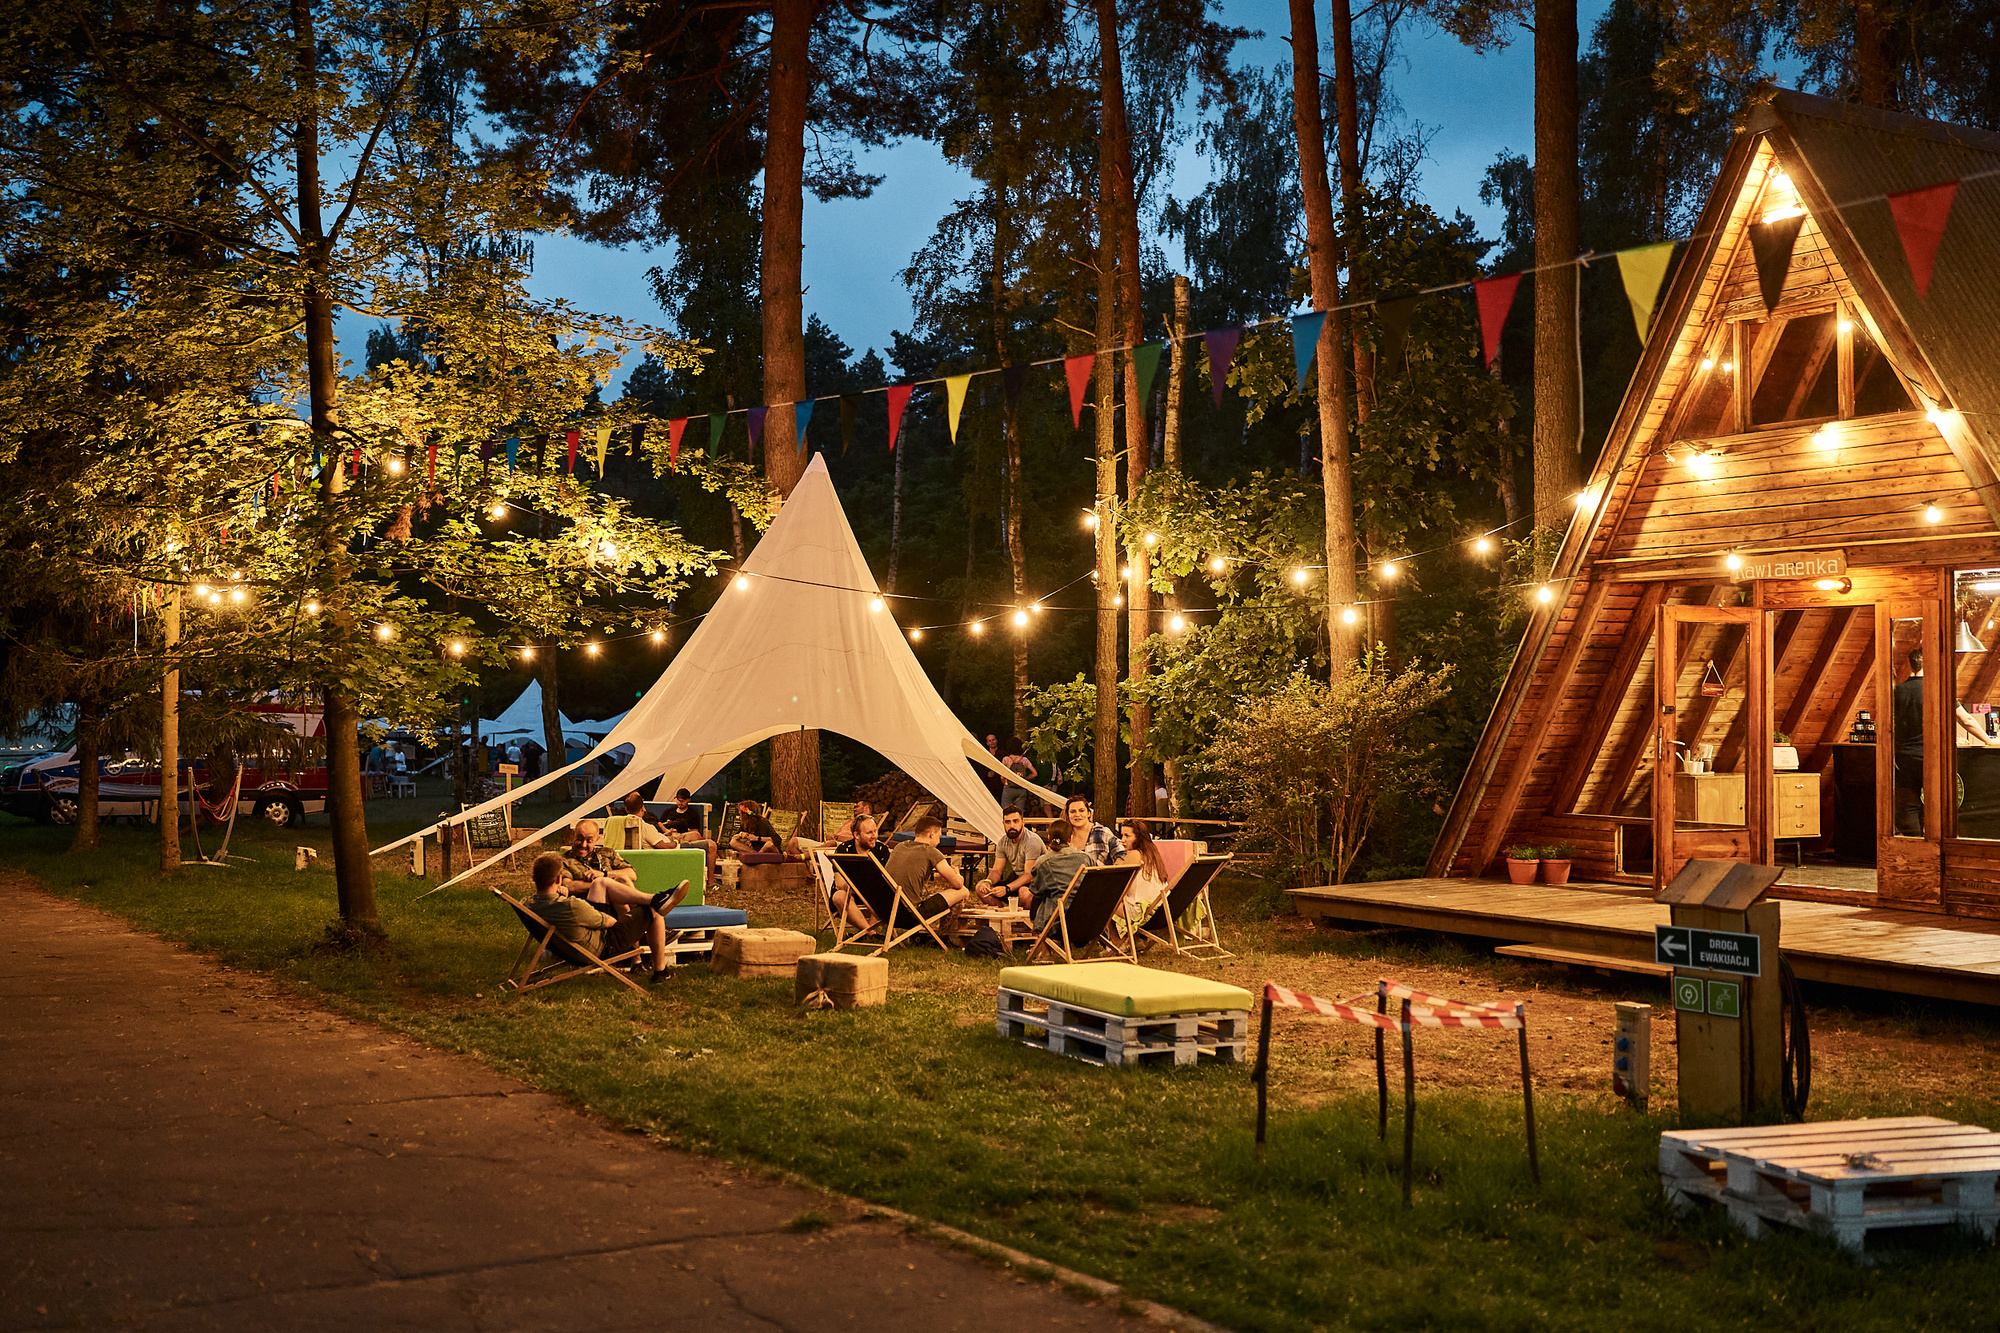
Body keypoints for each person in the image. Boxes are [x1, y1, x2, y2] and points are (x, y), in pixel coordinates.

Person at [529, 846, 686, 985]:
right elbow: (610, 922)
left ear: (534, 879)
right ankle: (660, 972)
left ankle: (655, 900)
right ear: (559, 879)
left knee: (601, 883)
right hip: (603, 945)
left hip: (577, 946)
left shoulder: (529, 904)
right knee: (652, 910)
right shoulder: (570, 905)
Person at [882, 816, 968, 937]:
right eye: (939, 837)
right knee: (963, 891)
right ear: (932, 834)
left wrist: (935, 877)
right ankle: (942, 936)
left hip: (886, 912)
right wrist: (957, 874)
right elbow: (958, 883)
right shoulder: (931, 852)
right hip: (911, 915)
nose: (938, 842)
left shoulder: (899, 847)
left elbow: (909, 872)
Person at [1021, 819, 1089, 932]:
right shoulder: (1087, 858)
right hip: (1087, 918)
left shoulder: (1043, 862)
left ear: (1049, 837)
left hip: (1056, 921)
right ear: (1070, 838)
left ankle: (1041, 943)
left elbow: (1036, 890)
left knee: (1040, 898)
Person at [1112, 819, 1171, 942]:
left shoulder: (1134, 854)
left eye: (1127, 836)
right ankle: (1136, 941)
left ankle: (1115, 943)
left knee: (1101, 901)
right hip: (1162, 909)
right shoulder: (1153, 853)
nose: (1122, 840)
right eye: (1122, 835)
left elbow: (1118, 885)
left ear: (1138, 837)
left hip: (1142, 913)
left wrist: (1116, 865)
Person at [827, 815, 888, 930]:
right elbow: (840, 884)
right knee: (839, 896)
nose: (874, 836)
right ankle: (871, 933)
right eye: (869, 833)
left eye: (875, 831)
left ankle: (869, 933)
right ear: (857, 835)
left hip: (875, 898)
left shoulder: (881, 850)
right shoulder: (844, 851)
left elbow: (887, 881)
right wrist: (862, 888)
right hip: (851, 898)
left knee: (888, 895)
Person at [974, 804, 1044, 906]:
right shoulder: (1003, 842)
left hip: (1037, 883)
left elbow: (1029, 875)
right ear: (1003, 823)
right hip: (1017, 880)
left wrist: (1007, 889)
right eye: (1008, 822)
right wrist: (988, 882)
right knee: (980, 887)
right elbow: (997, 870)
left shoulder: (1032, 841)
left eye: (1015, 821)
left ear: (1023, 822)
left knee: (1023, 893)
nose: (1012, 826)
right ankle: (1000, 914)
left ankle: (1022, 916)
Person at [1894, 647, 1925, 835]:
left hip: (1904, 756)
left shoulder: (1898, 690)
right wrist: (1988, 740)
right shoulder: (1935, 689)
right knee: (1937, 802)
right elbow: (1966, 720)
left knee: (1908, 804)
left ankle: (1914, 843)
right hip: (1929, 756)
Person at [660, 788, 719, 883]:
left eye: (682, 801)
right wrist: (668, 828)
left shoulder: (693, 814)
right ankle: (675, 841)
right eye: (678, 800)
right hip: (669, 835)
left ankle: (710, 881)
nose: (680, 803)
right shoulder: (669, 812)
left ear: (688, 800)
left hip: (685, 836)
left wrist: (684, 829)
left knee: (695, 835)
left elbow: (696, 834)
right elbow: (660, 825)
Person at [1063, 794, 1123, 866]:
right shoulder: (1064, 835)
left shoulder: (1102, 832)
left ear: (1089, 813)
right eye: (1073, 811)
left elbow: (1122, 853)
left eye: (1081, 811)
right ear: (1068, 815)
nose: (1077, 814)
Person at [998, 738, 1038, 813]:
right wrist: (1025, 779)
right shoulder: (1025, 760)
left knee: (1005, 812)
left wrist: (1005, 783)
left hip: (1008, 788)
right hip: (1021, 789)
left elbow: (1002, 777)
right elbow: (1035, 773)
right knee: (1020, 812)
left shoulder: (1006, 759)